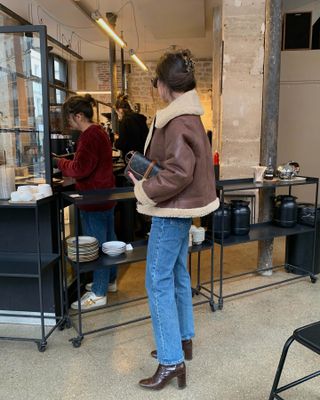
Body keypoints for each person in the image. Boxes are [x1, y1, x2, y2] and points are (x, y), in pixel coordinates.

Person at [128, 49, 219, 390]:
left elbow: (179, 172)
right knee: (178, 275)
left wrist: (145, 189)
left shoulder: (177, 118)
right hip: (182, 210)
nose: (156, 88)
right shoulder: (190, 116)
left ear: (166, 85)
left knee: (157, 281)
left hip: (170, 209)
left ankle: (171, 362)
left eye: (157, 82)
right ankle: (182, 342)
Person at [52, 94, 117, 310]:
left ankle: (99, 293)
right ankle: (108, 281)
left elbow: (81, 169)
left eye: (69, 119)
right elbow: (87, 164)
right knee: (108, 242)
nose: (69, 123)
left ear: (78, 115)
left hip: (93, 198)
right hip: (105, 196)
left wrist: (59, 162)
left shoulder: (89, 136)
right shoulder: (99, 132)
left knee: (96, 247)